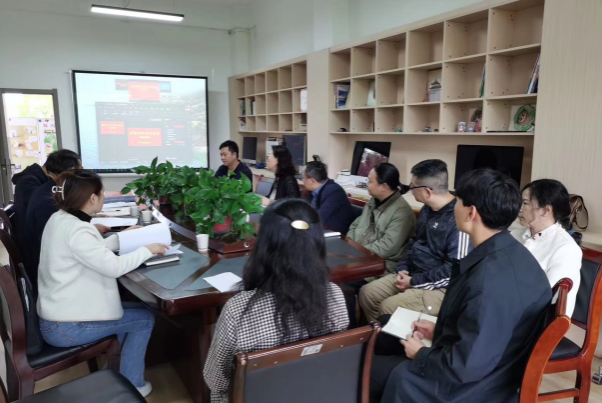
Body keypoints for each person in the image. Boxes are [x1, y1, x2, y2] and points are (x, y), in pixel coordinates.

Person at [370, 169, 552, 403]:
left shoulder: (489, 281)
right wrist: (440, 330)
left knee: (363, 369)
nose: (454, 206)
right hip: (487, 369)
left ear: (471, 213)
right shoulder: (511, 253)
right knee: (386, 329)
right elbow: (485, 332)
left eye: (458, 201)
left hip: (470, 388)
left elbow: (467, 365)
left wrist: (422, 354)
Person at [204, 199, 349, 403]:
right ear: (318, 244)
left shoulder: (238, 310)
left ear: (265, 245)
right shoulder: (335, 295)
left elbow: (216, 381)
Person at [37, 170, 167, 396]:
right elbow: (114, 267)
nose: (104, 197)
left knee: (139, 311)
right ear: (93, 198)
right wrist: (148, 249)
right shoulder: (78, 230)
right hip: (67, 326)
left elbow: (89, 252)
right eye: (103, 193)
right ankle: (133, 385)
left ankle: (118, 373)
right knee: (144, 320)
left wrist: (122, 238)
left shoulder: (60, 218)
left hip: (60, 314)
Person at [358, 160, 471, 322]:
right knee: (367, 293)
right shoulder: (426, 209)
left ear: (427, 191)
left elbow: (452, 272)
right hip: (412, 273)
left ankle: (387, 333)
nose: (410, 190)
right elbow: (414, 242)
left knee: (388, 307)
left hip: (440, 287)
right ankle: (381, 333)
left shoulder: (458, 219)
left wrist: (413, 282)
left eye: (413, 187)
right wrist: (403, 268)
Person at [21, 150, 111, 294]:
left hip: (48, 270)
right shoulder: (49, 200)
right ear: (72, 172)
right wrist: (92, 230)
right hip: (55, 280)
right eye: (81, 171)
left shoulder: (48, 190)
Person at [511, 179, 582, 317]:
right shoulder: (514, 235)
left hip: (533, 320)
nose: (519, 208)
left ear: (546, 210)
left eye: (525, 203)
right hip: (509, 308)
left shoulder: (566, 249)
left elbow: (541, 299)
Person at [346, 163, 415, 273]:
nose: (367, 184)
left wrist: (357, 251)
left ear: (383, 187)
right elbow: (356, 224)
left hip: (381, 262)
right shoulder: (374, 200)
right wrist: (349, 244)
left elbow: (386, 247)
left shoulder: (402, 212)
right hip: (358, 254)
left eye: (370, 181)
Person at [12, 150, 77, 245]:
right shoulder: (30, 183)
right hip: (34, 242)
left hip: (38, 237)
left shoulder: (42, 182)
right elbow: (45, 215)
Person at [302, 159, 357, 233]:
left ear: (312, 180)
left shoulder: (334, 192)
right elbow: (303, 210)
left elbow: (320, 217)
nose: (302, 180)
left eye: (303, 178)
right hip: (320, 228)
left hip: (337, 234)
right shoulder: (311, 189)